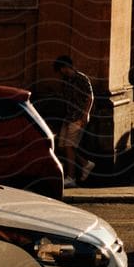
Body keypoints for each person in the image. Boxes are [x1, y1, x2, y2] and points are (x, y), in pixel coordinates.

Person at [50, 55, 94, 183]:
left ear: (65, 67)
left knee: (69, 146)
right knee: (62, 146)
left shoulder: (81, 78)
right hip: (68, 117)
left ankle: (71, 177)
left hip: (78, 117)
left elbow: (90, 97)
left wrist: (86, 114)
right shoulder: (66, 80)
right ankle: (85, 164)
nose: (61, 73)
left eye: (61, 70)